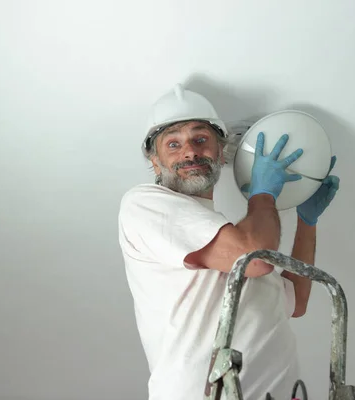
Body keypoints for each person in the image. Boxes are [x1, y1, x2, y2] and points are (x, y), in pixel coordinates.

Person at [117, 84, 340, 399]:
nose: (190, 151)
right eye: (173, 144)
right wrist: (263, 195)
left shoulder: (231, 237)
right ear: (155, 163)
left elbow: (296, 301)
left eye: (200, 139)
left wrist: (308, 221)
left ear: (221, 153)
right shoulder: (144, 205)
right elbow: (256, 258)